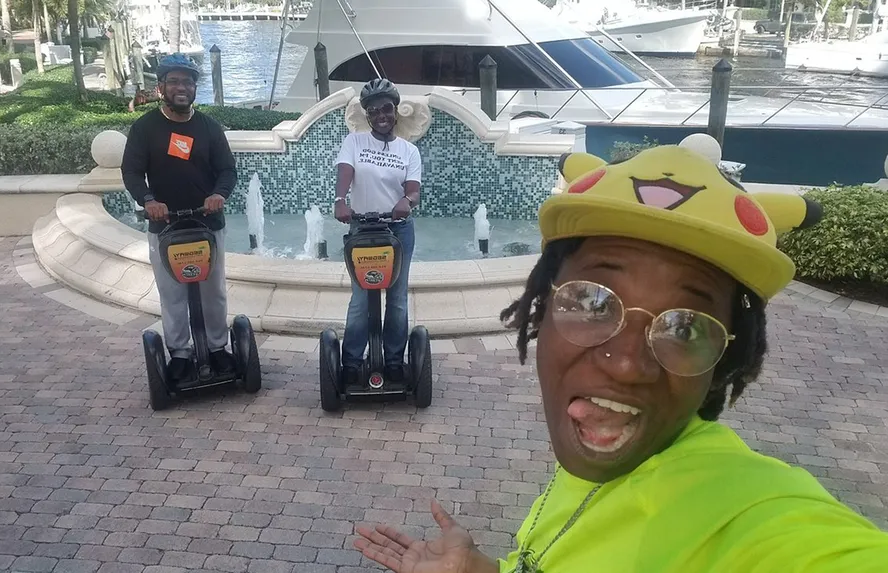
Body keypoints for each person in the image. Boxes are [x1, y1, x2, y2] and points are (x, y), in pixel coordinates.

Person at [352, 145, 888, 572]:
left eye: (686, 326)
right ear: (544, 306)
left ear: (722, 360)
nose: (628, 364)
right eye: (592, 301)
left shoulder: (744, 512)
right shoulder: (608, 451)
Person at [121, 52, 238, 381]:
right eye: (174, 81)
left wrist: (219, 195)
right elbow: (131, 172)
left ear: (195, 87)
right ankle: (181, 353)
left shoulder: (209, 127)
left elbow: (227, 170)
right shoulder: (145, 128)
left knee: (212, 291)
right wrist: (148, 200)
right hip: (165, 225)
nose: (181, 87)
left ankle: (217, 348)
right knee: (172, 293)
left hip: (207, 222)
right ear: (161, 87)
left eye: (187, 81)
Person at [333, 79, 423, 387]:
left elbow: (413, 192)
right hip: (362, 229)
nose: (381, 115)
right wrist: (340, 200)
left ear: (396, 111)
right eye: (373, 111)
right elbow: (345, 173)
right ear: (367, 116)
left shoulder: (409, 151)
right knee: (361, 298)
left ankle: (395, 360)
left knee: (397, 299)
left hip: (397, 231)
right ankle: (352, 362)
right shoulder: (354, 143)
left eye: (386, 108)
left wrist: (405, 201)